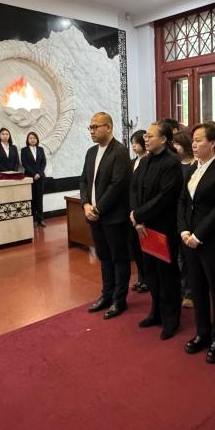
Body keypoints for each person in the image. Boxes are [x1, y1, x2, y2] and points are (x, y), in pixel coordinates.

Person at [178, 122, 215, 363]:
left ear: (212, 144)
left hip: (211, 239)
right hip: (189, 238)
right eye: (193, 139)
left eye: (199, 140)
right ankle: (202, 333)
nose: (193, 144)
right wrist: (183, 230)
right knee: (198, 288)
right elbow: (183, 201)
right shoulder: (193, 168)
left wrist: (198, 235)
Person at [131, 122, 184, 339]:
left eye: (151, 136)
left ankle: (171, 319)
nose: (146, 139)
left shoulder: (172, 163)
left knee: (167, 275)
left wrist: (139, 215)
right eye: (145, 136)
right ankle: (156, 312)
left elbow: (165, 197)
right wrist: (136, 217)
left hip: (163, 227)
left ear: (163, 139)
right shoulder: (144, 161)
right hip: (143, 227)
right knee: (151, 272)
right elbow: (134, 189)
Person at [79, 112, 132, 320]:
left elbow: (117, 185)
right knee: (104, 257)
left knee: (119, 258)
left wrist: (98, 209)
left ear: (108, 127)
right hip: (94, 215)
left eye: (95, 127)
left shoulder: (120, 152)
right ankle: (106, 294)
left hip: (113, 216)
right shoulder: (91, 152)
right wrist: (85, 205)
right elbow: (84, 180)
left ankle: (120, 299)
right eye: (90, 127)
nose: (92, 131)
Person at [172, 130, 195, 308]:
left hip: (190, 217)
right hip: (175, 215)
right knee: (178, 257)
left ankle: (190, 292)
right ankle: (180, 289)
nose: (174, 147)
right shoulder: (175, 165)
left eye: (177, 144)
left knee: (188, 259)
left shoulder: (194, 165)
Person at [128, 130, 149, 293]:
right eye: (132, 143)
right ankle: (141, 277)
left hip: (143, 210)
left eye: (136, 143)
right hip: (131, 210)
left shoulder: (148, 161)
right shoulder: (132, 162)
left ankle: (147, 279)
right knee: (135, 248)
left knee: (146, 249)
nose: (134, 146)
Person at [21, 132, 47, 227]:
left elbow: (43, 162)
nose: (32, 140)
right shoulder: (24, 150)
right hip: (30, 177)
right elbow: (24, 164)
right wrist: (33, 174)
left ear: (37, 139)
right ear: (28, 140)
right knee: (32, 199)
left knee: (40, 198)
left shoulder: (40, 149)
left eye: (34, 138)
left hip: (40, 177)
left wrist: (39, 173)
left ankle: (41, 219)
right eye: (30, 138)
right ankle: (34, 220)